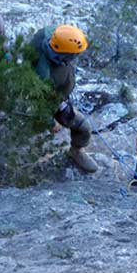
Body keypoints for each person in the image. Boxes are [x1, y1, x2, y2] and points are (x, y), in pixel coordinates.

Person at [29, 24, 97, 173]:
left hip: (59, 96)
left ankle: (75, 151)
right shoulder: (43, 72)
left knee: (84, 128)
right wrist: (49, 120)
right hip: (45, 103)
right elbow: (38, 101)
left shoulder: (51, 35)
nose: (76, 57)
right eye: (73, 54)